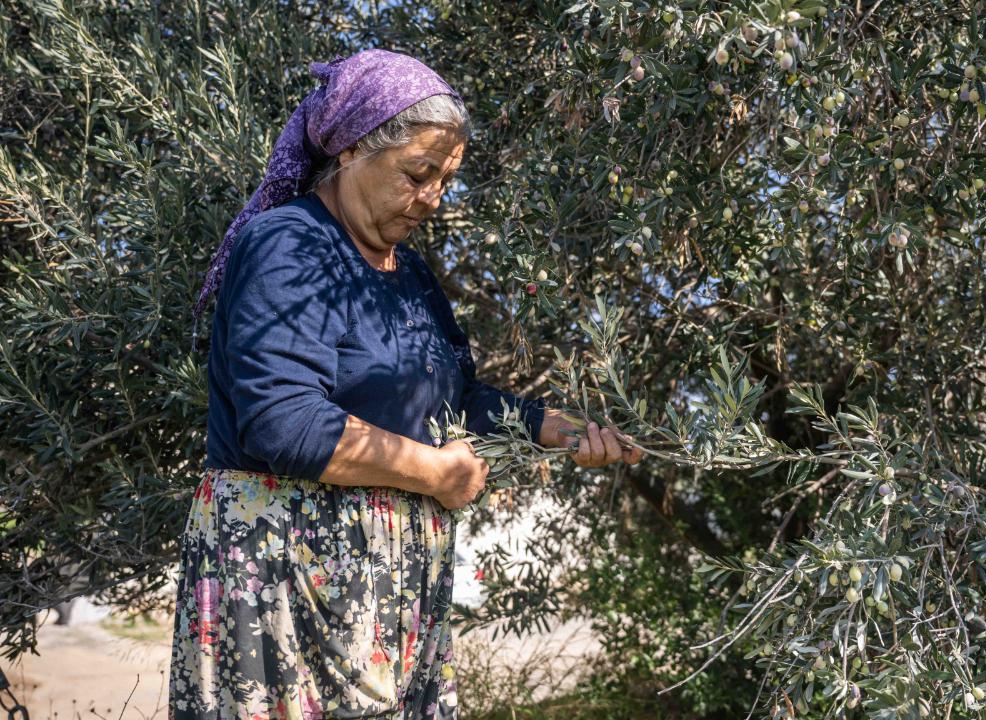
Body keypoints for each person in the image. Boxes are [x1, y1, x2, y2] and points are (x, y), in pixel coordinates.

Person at [169, 49, 642, 719]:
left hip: (386, 595)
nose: (432, 199)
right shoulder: (288, 245)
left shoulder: (410, 273)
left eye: (446, 180)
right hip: (283, 583)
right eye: (419, 174)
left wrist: (551, 429)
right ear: (356, 149)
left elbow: (456, 400)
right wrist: (436, 474)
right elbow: (283, 422)